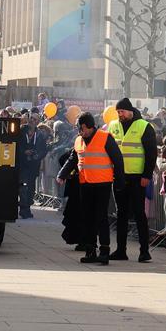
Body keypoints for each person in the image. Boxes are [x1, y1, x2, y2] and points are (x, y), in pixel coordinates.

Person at [57, 112, 124, 265]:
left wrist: (120, 180)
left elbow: (117, 159)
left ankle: (104, 251)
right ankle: (90, 250)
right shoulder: (79, 141)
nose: (79, 131)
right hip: (85, 183)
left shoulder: (105, 138)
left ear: (89, 126)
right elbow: (73, 159)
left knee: (101, 217)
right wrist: (62, 174)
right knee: (87, 218)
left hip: (102, 184)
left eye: (81, 128)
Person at [107, 98, 157, 263]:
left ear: (130, 111)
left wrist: (146, 176)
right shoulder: (113, 125)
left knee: (139, 213)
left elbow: (151, 154)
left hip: (137, 177)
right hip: (119, 176)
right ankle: (121, 250)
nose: (120, 114)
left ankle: (144, 251)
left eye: (122, 111)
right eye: (118, 112)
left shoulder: (144, 126)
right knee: (121, 214)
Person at [18, 115, 47, 219]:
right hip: (22, 164)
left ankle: (27, 208)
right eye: (31, 118)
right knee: (23, 187)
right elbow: (15, 145)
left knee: (31, 188)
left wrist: (37, 155)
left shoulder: (40, 134)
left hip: (33, 165)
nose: (32, 120)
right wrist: (23, 152)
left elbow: (44, 150)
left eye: (35, 119)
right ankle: (23, 210)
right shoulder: (21, 131)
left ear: (38, 122)